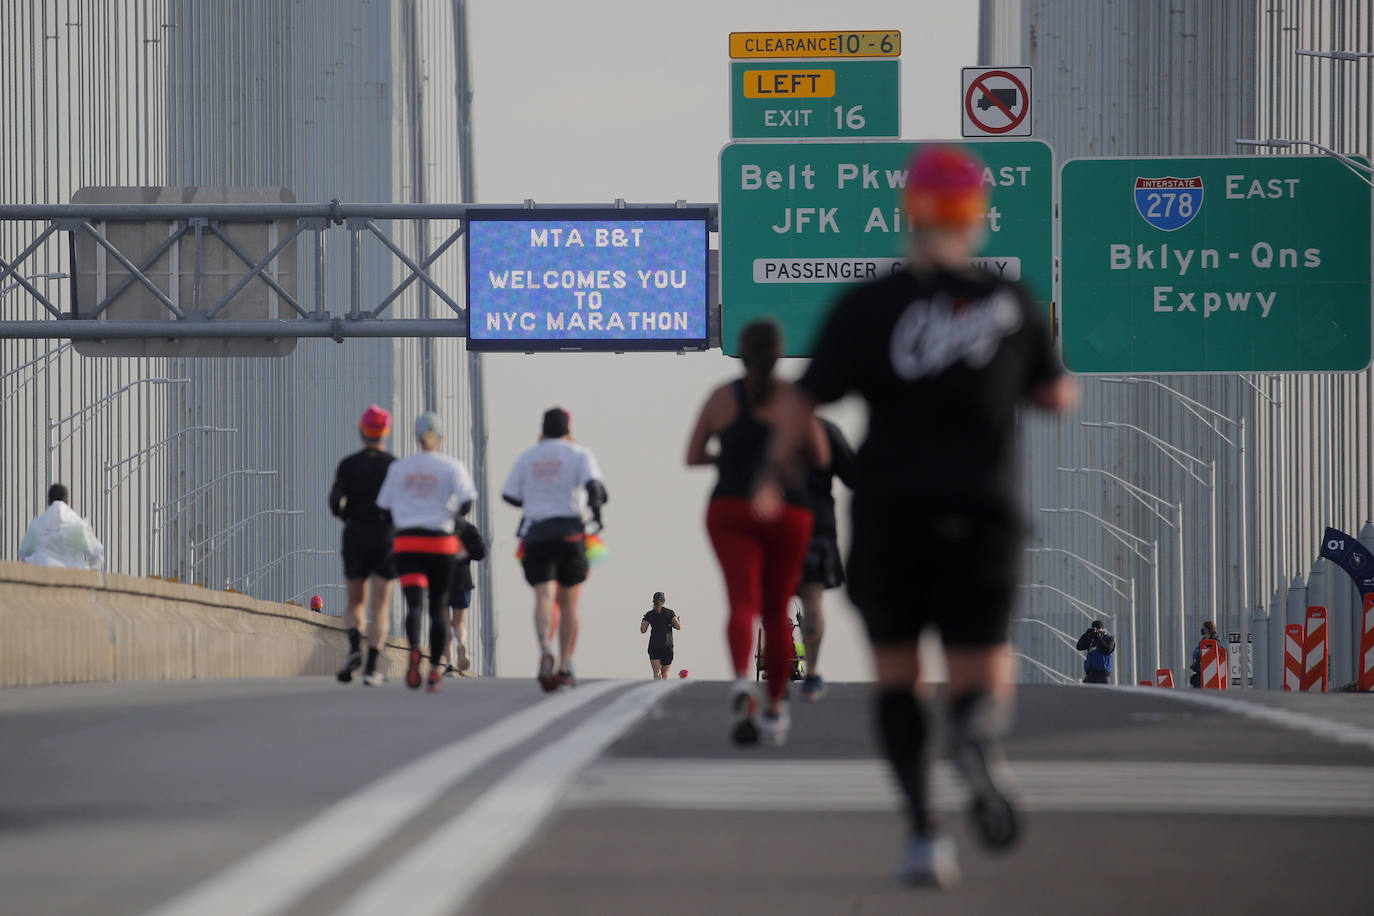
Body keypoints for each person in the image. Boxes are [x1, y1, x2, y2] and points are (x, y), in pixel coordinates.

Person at [758, 145, 1077, 886]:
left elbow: (804, 400)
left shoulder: (869, 305)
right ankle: (972, 731)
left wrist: (774, 473)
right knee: (979, 668)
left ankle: (925, 835)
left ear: (908, 215)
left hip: (892, 515)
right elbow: (1055, 396)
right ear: (977, 219)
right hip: (984, 514)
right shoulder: (1013, 304)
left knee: (897, 679)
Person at [686, 318, 829, 747]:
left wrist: (731, 463)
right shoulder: (794, 399)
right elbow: (821, 457)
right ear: (778, 351)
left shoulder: (720, 398)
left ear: (741, 352)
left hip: (729, 507)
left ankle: (739, 682)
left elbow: (693, 455)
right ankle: (774, 710)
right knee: (776, 610)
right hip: (788, 511)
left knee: (740, 603)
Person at [502, 407, 607, 691]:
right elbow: (595, 488)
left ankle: (545, 648)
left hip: (536, 533)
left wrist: (535, 498)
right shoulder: (579, 454)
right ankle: (564, 664)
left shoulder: (528, 456)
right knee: (569, 601)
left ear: (542, 429)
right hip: (570, 532)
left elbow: (509, 495)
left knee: (543, 598)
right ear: (568, 429)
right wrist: (596, 513)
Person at [375, 412, 476, 694]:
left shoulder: (400, 468)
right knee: (438, 608)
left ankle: (414, 652)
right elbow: (466, 503)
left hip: (408, 543)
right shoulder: (452, 467)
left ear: (416, 438)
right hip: (440, 543)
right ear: (440, 439)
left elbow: (383, 508)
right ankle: (434, 670)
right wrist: (452, 519)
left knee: (415, 604)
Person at [328, 405, 397, 687]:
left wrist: (348, 515)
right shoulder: (394, 466)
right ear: (386, 432)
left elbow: (334, 503)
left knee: (356, 602)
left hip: (355, 533)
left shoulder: (347, 465)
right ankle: (371, 668)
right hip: (385, 536)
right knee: (380, 607)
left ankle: (355, 647)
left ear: (361, 431)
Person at [796, 418, 858, 702]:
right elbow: (854, 476)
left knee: (772, 598)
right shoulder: (826, 429)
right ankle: (811, 674)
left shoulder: (774, 426)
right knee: (813, 599)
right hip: (818, 521)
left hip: (779, 518)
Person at [17, 484, 104, 569]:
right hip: (73, 573)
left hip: (42, 570)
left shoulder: (37, 525)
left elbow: (23, 553)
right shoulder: (79, 525)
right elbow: (96, 554)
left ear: (49, 502)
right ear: (68, 502)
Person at [444, 518, 487, 676]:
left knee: (444, 623)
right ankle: (461, 642)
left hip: (440, 579)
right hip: (462, 579)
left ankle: (449, 663)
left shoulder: (434, 523)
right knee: (459, 621)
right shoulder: (466, 527)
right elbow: (480, 553)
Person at [641, 591, 681, 679]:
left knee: (656, 671)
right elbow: (678, 627)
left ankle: (657, 687)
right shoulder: (670, 613)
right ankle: (665, 687)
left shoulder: (649, 614)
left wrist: (643, 620)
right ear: (664, 601)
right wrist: (673, 623)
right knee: (665, 671)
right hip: (667, 645)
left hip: (654, 645)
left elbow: (643, 630)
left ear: (653, 601)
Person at [1076, 620, 1115, 685]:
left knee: (1102, 693)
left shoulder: (1109, 639)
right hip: (1090, 674)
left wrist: (1098, 638)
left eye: (1098, 629)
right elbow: (1079, 647)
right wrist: (1086, 634)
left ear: (1103, 629)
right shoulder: (1091, 640)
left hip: (1103, 674)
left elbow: (1107, 650)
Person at [1189, 620, 1221, 688]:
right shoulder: (1203, 641)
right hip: (1200, 671)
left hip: (1207, 673)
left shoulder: (1213, 642)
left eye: (1203, 628)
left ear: (1206, 630)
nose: (1202, 630)